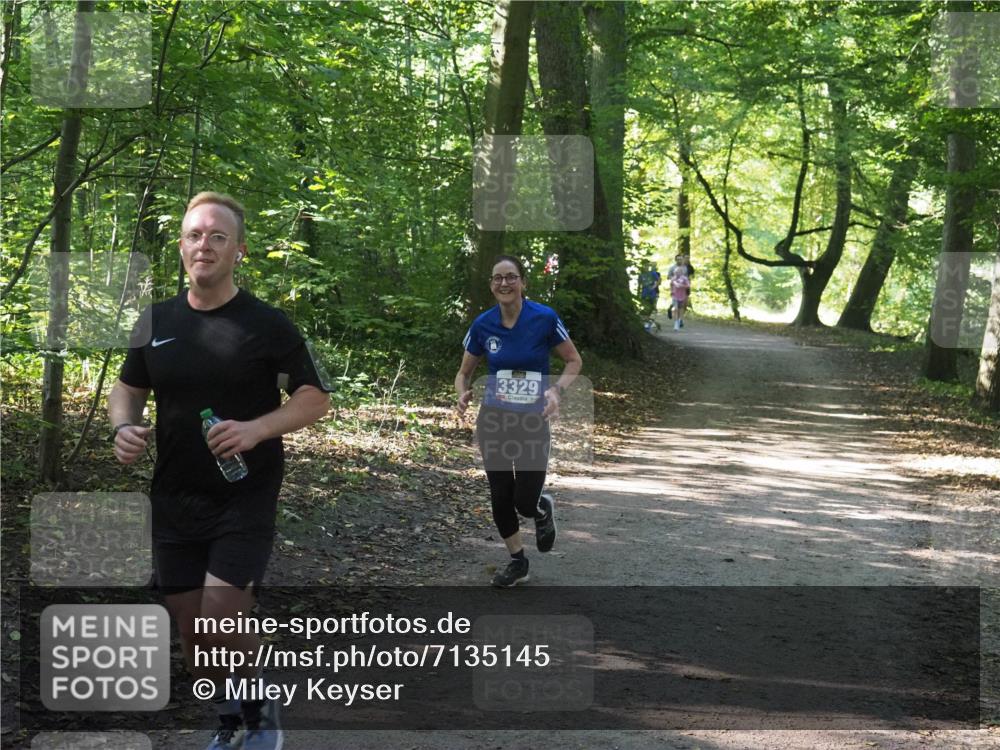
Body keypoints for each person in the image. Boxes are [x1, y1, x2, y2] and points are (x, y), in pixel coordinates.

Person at [109, 192, 331, 750]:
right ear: (181, 247)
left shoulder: (268, 324)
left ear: (239, 251)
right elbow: (127, 388)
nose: (203, 245)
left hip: (244, 496)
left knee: (221, 613)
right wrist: (123, 427)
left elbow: (315, 397)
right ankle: (232, 716)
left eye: (217, 236)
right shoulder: (155, 320)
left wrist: (257, 429)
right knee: (194, 637)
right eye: (194, 235)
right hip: (174, 497)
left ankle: (260, 717)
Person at [455, 255, 582, 587]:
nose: (504, 283)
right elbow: (463, 372)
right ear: (491, 285)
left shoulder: (544, 318)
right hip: (494, 420)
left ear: (523, 282)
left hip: (532, 421)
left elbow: (573, 361)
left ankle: (540, 509)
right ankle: (518, 561)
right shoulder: (483, 324)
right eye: (498, 278)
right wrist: (462, 393)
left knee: (523, 502)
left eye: (511, 277)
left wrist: (556, 391)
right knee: (500, 494)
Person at [666, 254, 695, 319]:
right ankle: (673, 313)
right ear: (676, 260)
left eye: (681, 259)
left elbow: (691, 275)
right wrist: (674, 280)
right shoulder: (672, 268)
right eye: (678, 259)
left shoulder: (686, 267)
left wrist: (688, 279)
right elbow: (668, 277)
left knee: (684, 302)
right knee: (676, 302)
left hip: (684, 287)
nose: (680, 260)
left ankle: (680, 319)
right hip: (675, 288)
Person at [638, 263, 662, 329]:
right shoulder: (641, 275)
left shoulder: (652, 273)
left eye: (647, 266)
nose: (646, 267)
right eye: (644, 265)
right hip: (644, 294)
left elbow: (659, 280)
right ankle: (647, 323)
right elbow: (639, 285)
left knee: (650, 309)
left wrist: (654, 286)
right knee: (645, 309)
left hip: (652, 294)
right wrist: (638, 295)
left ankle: (648, 323)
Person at [670, 266, 691, 331]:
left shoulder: (684, 278)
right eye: (676, 272)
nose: (677, 273)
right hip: (675, 296)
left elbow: (688, 286)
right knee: (675, 309)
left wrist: (682, 286)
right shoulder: (673, 278)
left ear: (681, 272)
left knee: (681, 309)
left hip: (682, 296)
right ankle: (676, 323)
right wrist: (671, 291)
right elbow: (671, 285)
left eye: (678, 272)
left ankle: (680, 320)